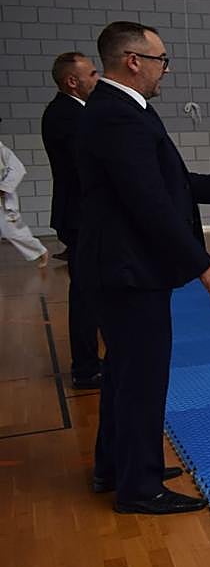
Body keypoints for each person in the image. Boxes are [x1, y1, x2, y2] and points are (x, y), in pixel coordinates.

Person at [76, 21, 210, 513]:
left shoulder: (125, 110)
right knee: (141, 378)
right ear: (134, 61)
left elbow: (171, 181)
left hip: (124, 267)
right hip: (128, 270)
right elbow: (148, 202)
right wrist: (203, 264)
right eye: (161, 60)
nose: (165, 70)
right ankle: (140, 486)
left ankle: (117, 466)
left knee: (124, 374)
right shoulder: (116, 116)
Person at [40, 51, 102, 387]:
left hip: (81, 213)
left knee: (94, 290)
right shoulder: (67, 115)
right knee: (86, 293)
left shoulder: (72, 112)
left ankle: (94, 359)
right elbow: (86, 169)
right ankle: (86, 368)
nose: (97, 78)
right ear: (72, 81)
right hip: (81, 214)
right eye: (92, 74)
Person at [0, 137, 49, 268]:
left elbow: (18, 169)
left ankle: (40, 251)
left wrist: (3, 188)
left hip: (3, 202)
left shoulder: (3, 151)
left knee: (12, 232)